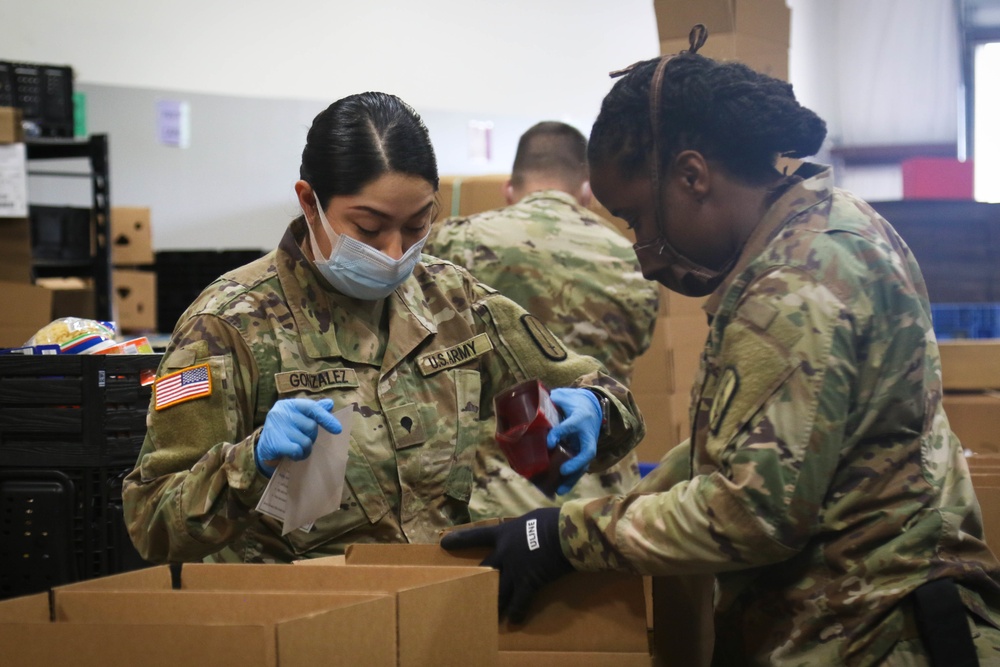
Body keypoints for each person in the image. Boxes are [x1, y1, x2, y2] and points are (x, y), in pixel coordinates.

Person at [442, 29, 1000, 665]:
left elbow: (751, 512)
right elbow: (752, 442)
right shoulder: (825, 227)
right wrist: (623, 498)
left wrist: (565, 536)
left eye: (638, 220)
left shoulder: (796, 285)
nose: (643, 254)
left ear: (692, 176)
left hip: (877, 636)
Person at [121, 91, 644, 565]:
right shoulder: (228, 325)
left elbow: (602, 393)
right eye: (369, 229)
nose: (395, 253)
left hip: (437, 607)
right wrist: (248, 463)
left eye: (417, 225)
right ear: (310, 202)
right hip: (301, 618)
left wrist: (596, 408)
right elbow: (152, 524)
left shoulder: (452, 300)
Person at [425, 121, 659, 516]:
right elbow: (636, 349)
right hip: (601, 497)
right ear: (587, 191)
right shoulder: (634, 259)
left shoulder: (456, 241)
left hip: (495, 494)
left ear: (509, 189)